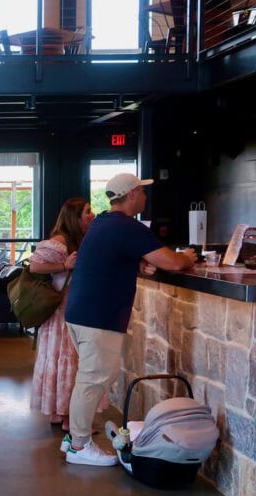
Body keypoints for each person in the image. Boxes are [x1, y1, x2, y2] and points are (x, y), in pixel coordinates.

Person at [63, 173, 197, 467]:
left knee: (90, 378)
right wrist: (188, 256)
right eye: (142, 192)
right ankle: (78, 445)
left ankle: (74, 438)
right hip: (98, 316)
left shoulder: (103, 223)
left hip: (83, 313)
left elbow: (109, 258)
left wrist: (136, 263)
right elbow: (173, 262)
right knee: (92, 380)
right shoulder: (127, 226)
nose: (146, 197)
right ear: (132, 194)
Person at [28, 197, 107, 431]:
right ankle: (68, 419)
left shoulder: (77, 240)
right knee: (70, 362)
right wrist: (64, 266)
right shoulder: (60, 241)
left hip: (68, 312)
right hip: (64, 313)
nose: (92, 215)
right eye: (87, 212)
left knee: (61, 362)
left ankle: (58, 413)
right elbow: (34, 266)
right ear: (75, 217)